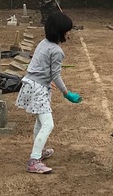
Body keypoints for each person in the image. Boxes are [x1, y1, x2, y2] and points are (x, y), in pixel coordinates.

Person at [15, 11, 82, 174]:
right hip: (37, 89)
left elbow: (39, 65)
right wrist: (66, 93)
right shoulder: (57, 51)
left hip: (31, 83)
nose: (69, 34)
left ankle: (40, 151)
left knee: (40, 122)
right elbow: (56, 75)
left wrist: (45, 79)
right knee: (48, 124)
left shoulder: (43, 43)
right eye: (67, 31)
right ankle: (34, 161)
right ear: (60, 31)